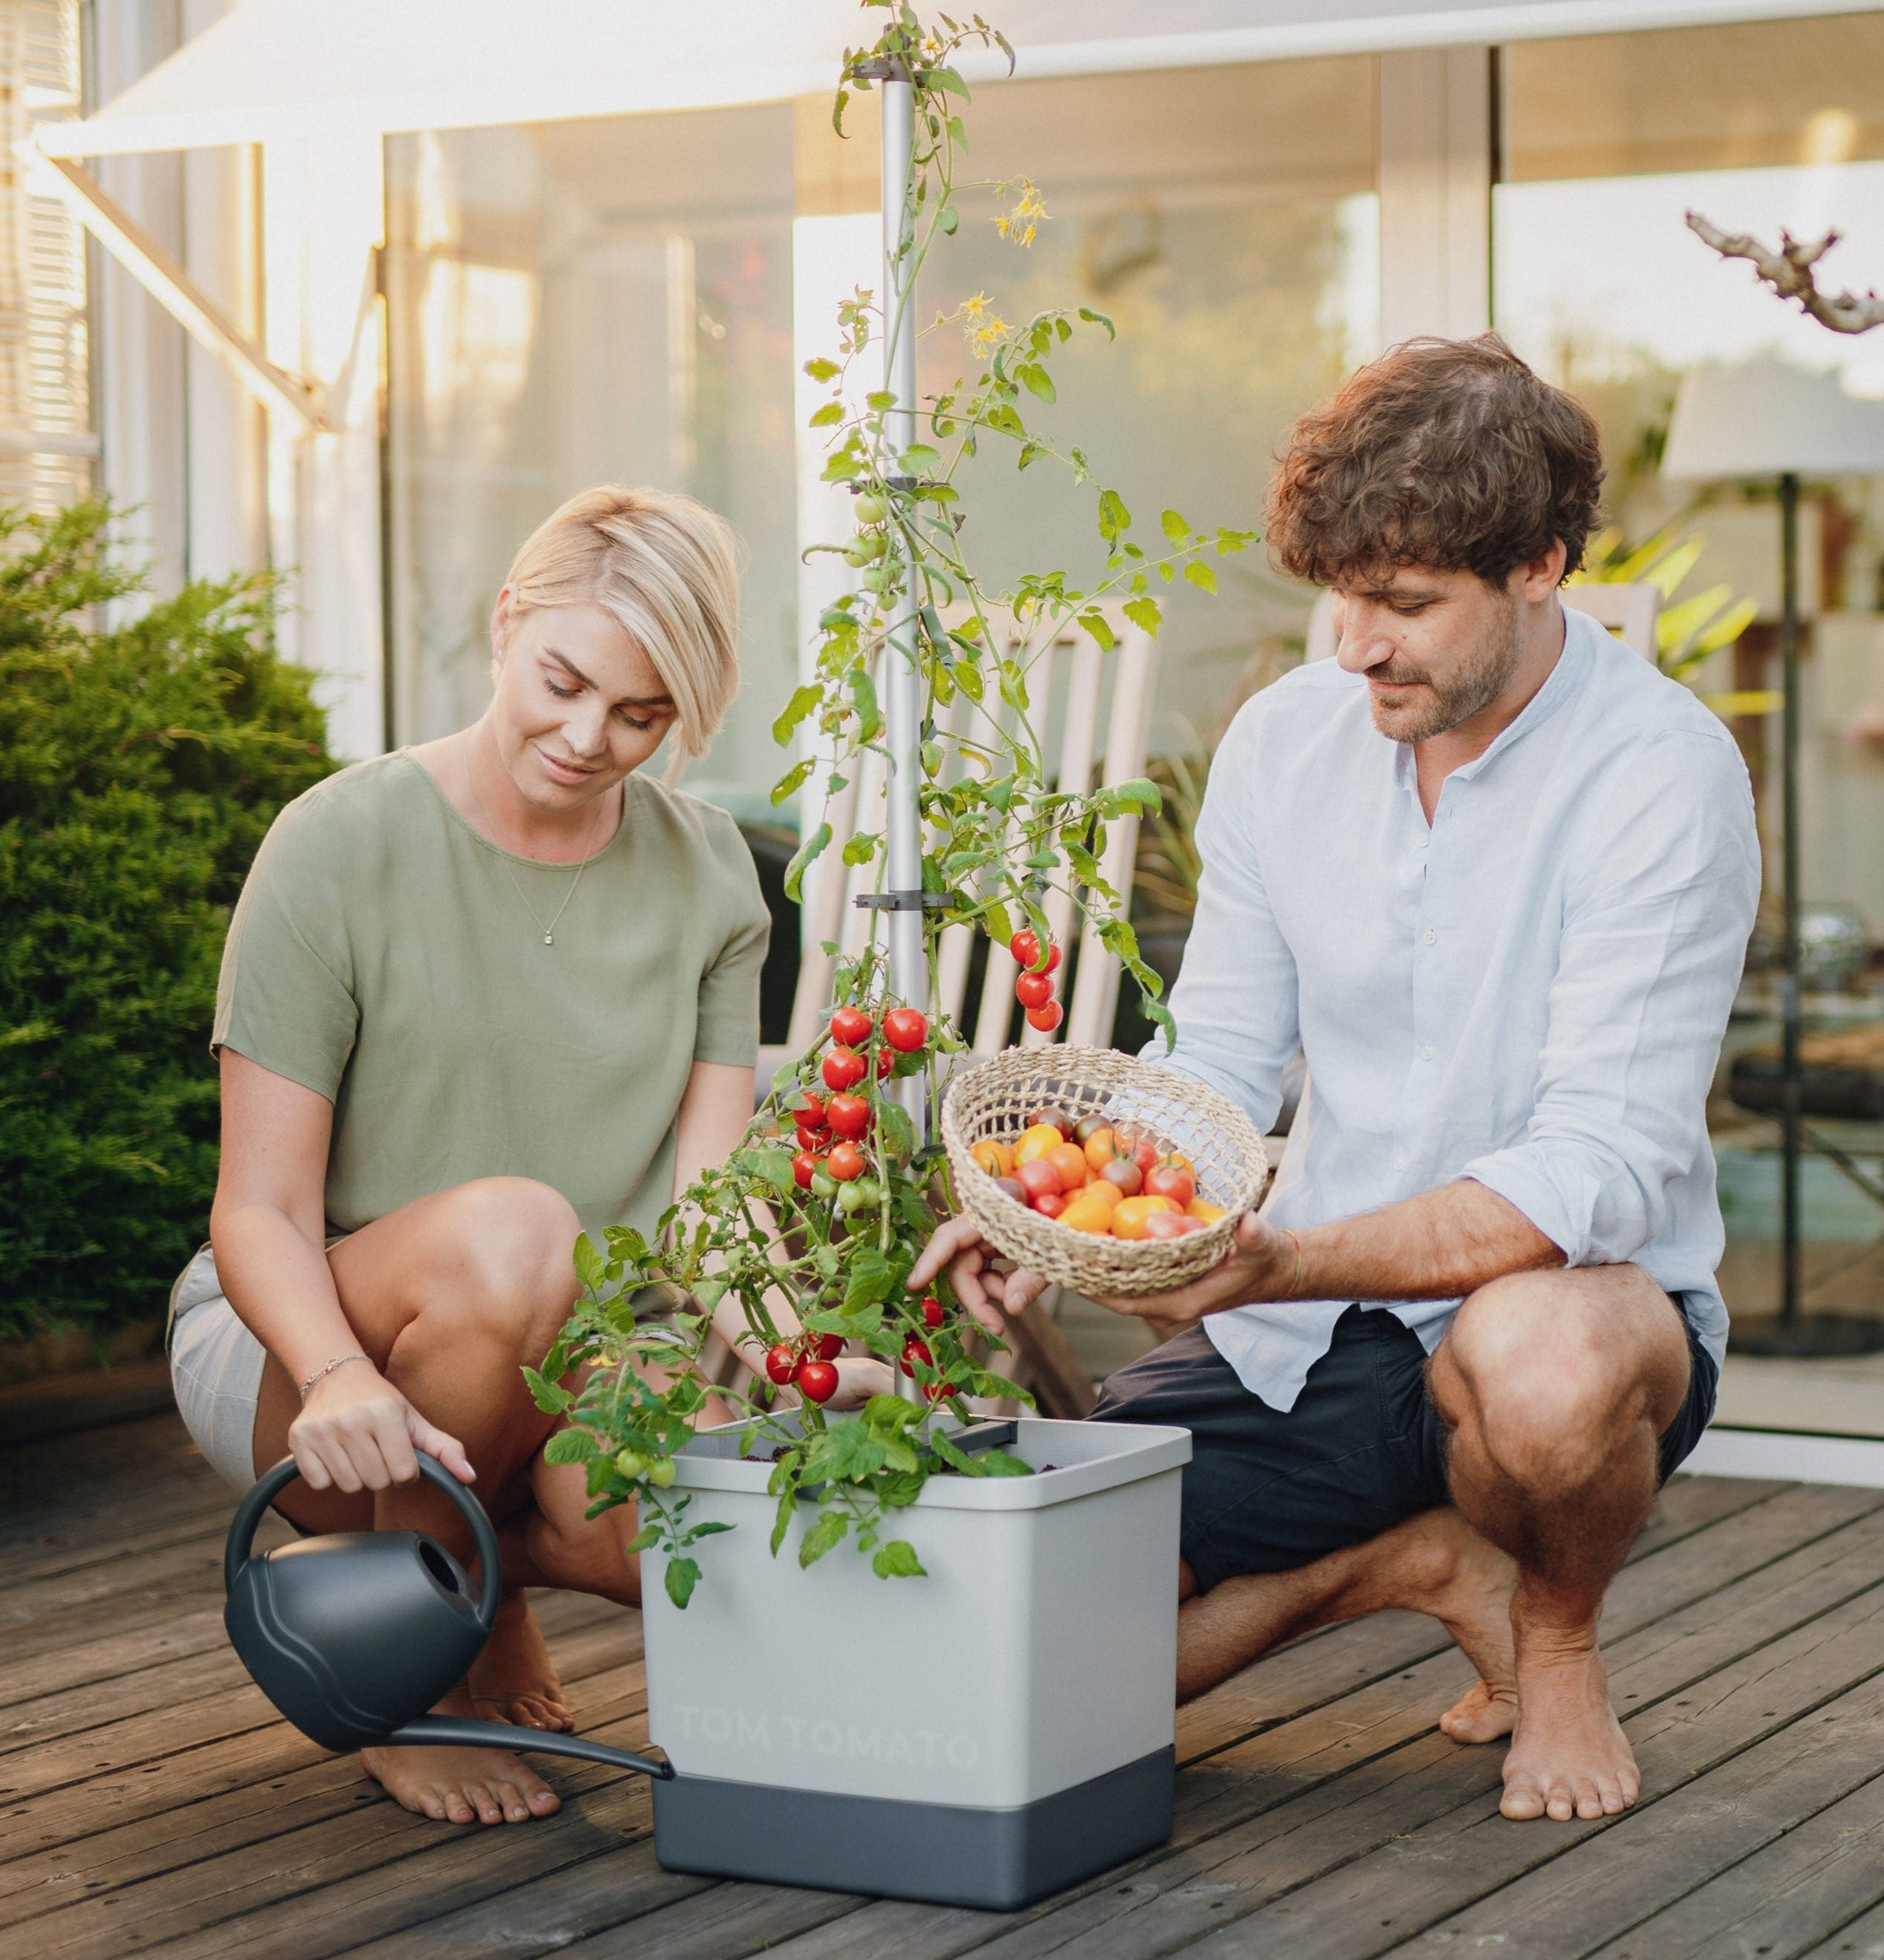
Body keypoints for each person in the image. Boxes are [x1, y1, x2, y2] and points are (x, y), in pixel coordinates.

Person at [913, 335, 1761, 1828]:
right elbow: (1220, 1057)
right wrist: (1082, 1212)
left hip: (1568, 1314)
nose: (1356, 644)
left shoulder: (1658, 775)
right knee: (1013, 1645)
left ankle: (1552, 1638)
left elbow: (1597, 1168)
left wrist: (1275, 1256)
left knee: (1541, 1365)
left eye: (1407, 603)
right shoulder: (1288, 739)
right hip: (1302, 1332)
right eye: (1341, 594)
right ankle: (1417, 1563)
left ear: (1540, 566)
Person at [169, 485, 832, 1828]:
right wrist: (339, 1370)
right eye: (563, 681)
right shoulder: (340, 841)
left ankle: (485, 1577)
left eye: (640, 714)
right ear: (506, 622)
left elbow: (704, 1213)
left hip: (568, 1336)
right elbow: (259, 1209)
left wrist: (805, 1355)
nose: (589, 738)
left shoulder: (712, 876)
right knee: (522, 1233)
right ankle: (403, 1677)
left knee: (684, 1536)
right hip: (301, 1338)